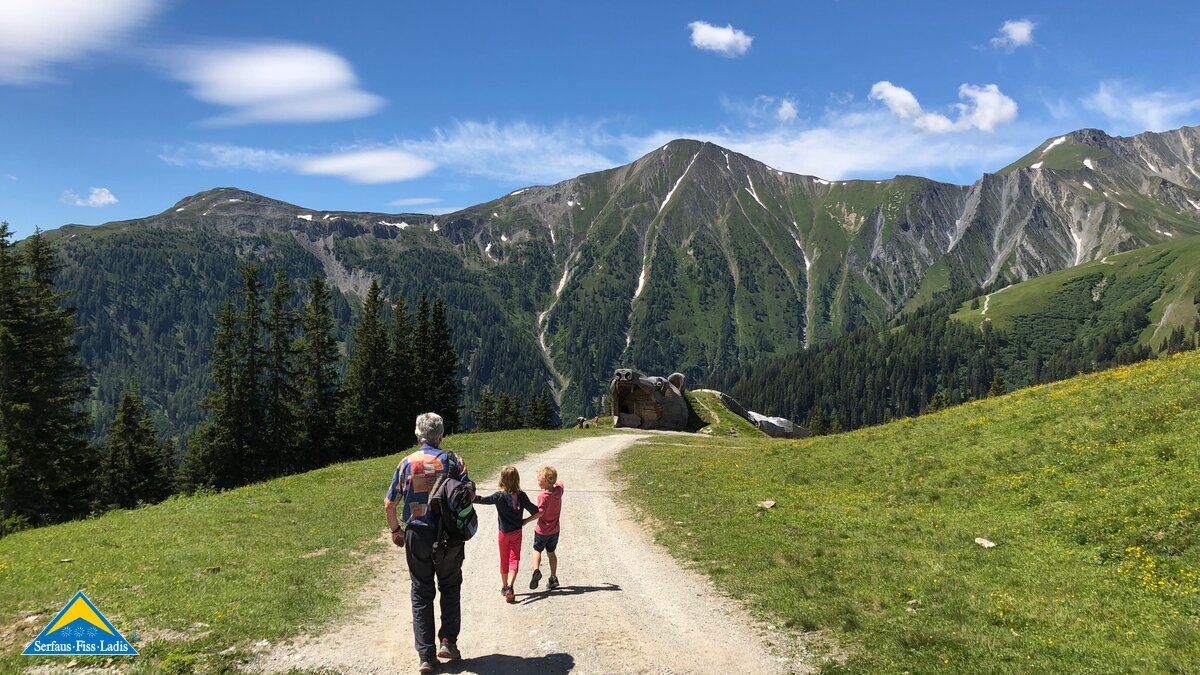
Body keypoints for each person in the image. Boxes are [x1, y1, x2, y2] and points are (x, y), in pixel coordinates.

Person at [385, 412, 469, 675]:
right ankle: (448, 642)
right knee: (450, 585)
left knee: (421, 591)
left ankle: (426, 657)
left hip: (417, 534)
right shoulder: (454, 461)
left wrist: (396, 530)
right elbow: (469, 493)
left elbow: (390, 503)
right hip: (448, 534)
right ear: (441, 435)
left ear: (418, 435)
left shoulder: (406, 463)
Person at [473, 466, 539, 603]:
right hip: (517, 532)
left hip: (503, 533)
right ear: (517, 479)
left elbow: (483, 500)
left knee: (504, 560)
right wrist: (525, 521)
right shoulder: (522, 496)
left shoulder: (498, 496)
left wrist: (470, 497)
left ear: (502, 479)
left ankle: (504, 586)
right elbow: (537, 512)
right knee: (514, 559)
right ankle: (510, 586)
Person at [528, 466, 565, 590]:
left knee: (537, 550)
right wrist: (554, 480)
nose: (538, 481)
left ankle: (536, 571)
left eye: (539, 479)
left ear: (545, 481)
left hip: (542, 530)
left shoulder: (542, 496)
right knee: (551, 552)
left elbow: (540, 512)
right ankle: (553, 577)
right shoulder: (558, 491)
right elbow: (560, 483)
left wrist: (526, 520)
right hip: (555, 531)